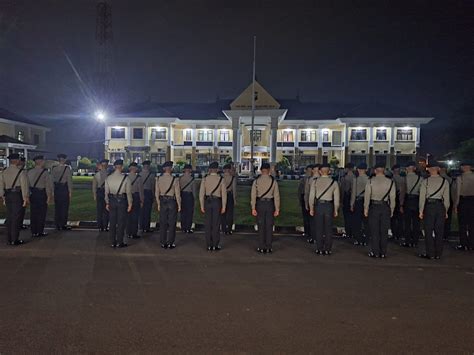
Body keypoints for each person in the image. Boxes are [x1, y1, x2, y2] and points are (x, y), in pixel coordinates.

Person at [364, 163, 396, 258]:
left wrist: (366, 208)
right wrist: (392, 209)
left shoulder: (370, 181)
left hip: (374, 206)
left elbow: (367, 197)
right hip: (385, 207)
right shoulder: (390, 182)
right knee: (384, 231)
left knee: (374, 231)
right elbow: (393, 198)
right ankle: (383, 252)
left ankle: (375, 252)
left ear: (375, 171)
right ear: (384, 171)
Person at [419, 162, 450, 259]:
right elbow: (446, 198)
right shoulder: (444, 182)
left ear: (429, 170)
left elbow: (422, 198)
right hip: (440, 206)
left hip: (429, 206)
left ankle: (430, 253)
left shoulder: (426, 181)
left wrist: (421, 211)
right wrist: (446, 210)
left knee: (428, 231)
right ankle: (438, 253)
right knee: (439, 231)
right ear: (438, 169)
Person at [309, 163, 340, 255]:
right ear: (329, 171)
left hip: (318, 206)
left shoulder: (315, 182)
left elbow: (311, 197)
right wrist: (336, 209)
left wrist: (311, 208)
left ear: (319, 171)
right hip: (329, 206)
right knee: (328, 229)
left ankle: (319, 248)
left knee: (318, 228)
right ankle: (328, 249)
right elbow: (337, 199)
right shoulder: (334, 183)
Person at [0, 154, 29, 245]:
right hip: (17, 195)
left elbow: (1, 186)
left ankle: (9, 238)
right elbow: (24, 186)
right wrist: (25, 198)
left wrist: (3, 196)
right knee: (16, 218)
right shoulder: (20, 172)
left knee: (10, 217)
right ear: (17, 161)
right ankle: (14, 239)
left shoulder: (4, 171)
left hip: (8, 195)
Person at [251, 162, 280, 253]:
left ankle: (261, 246)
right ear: (269, 170)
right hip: (270, 204)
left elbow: (253, 195)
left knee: (261, 225)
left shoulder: (256, 181)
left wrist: (253, 207)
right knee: (269, 225)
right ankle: (268, 246)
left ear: (260, 170)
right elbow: (277, 196)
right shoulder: (273, 181)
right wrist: (277, 209)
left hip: (260, 204)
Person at [105, 160, 132, 248]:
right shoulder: (126, 178)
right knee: (121, 222)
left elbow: (106, 193)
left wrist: (107, 202)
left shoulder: (108, 178)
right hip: (122, 201)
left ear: (114, 167)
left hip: (112, 200)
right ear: (122, 167)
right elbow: (128, 193)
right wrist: (130, 204)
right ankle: (120, 241)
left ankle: (113, 241)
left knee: (112, 222)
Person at [200, 161, 226, 251]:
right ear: (217, 169)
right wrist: (224, 206)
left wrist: (201, 205)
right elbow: (224, 194)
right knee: (216, 224)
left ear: (210, 170)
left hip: (207, 201)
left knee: (208, 224)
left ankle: (208, 245)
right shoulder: (221, 179)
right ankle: (215, 244)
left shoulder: (205, 179)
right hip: (217, 202)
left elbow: (201, 194)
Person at [156, 161, 181, 249]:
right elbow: (177, 193)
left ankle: (163, 242)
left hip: (163, 200)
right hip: (171, 201)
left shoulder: (159, 178)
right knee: (172, 223)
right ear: (171, 169)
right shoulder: (175, 179)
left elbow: (157, 193)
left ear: (163, 169)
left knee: (163, 222)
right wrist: (179, 204)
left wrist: (158, 203)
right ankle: (170, 242)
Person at [28, 155, 53, 238]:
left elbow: (26, 185)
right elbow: (47, 185)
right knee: (41, 213)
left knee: (33, 213)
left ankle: (34, 231)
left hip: (33, 194)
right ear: (41, 162)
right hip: (41, 194)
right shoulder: (45, 172)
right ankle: (40, 231)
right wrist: (49, 196)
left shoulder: (29, 172)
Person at [453, 161, 474, 251]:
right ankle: (472, 244)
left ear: (463, 167)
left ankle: (463, 244)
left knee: (462, 224)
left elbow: (457, 193)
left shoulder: (460, 178)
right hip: (473, 201)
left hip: (463, 201)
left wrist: (455, 205)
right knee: (472, 224)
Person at [401, 161, 422, 247]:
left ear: (406, 169)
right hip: (417, 200)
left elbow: (402, 193)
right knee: (416, 222)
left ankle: (407, 241)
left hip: (407, 200)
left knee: (407, 222)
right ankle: (415, 241)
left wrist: (401, 204)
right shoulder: (420, 179)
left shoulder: (404, 179)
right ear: (414, 168)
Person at [52, 153, 73, 230]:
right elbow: (69, 181)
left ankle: (57, 224)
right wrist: (70, 191)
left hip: (57, 189)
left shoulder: (54, 168)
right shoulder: (67, 169)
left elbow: (52, 180)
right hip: (64, 189)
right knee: (64, 207)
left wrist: (52, 191)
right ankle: (63, 224)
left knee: (57, 207)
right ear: (64, 160)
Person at [350, 163, 369, 246]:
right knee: (366, 221)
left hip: (358, 201)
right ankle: (367, 239)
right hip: (367, 201)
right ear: (366, 170)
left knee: (357, 222)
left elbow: (353, 193)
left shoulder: (356, 180)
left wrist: (352, 204)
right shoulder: (370, 179)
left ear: (358, 170)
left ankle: (358, 239)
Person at [127, 162, 144, 239]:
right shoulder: (138, 178)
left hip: (127, 197)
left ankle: (128, 232)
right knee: (135, 216)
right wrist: (142, 200)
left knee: (128, 216)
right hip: (136, 197)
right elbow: (141, 190)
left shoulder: (126, 177)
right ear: (136, 169)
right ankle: (134, 233)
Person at [92, 159, 110, 232]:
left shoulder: (97, 175)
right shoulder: (109, 174)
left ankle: (100, 226)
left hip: (99, 192)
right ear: (107, 165)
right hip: (107, 192)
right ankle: (105, 226)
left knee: (99, 210)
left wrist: (94, 195)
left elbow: (94, 186)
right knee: (106, 210)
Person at [304, 164, 320, 243]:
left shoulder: (310, 180)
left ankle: (313, 237)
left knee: (313, 221)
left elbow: (306, 193)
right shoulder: (324, 179)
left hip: (313, 203)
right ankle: (319, 237)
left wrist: (306, 203)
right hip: (322, 203)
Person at [390, 165, 406, 241]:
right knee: (400, 219)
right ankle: (400, 234)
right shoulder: (403, 179)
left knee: (393, 218)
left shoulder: (392, 179)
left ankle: (395, 234)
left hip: (394, 199)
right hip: (402, 200)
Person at [179, 163, 196, 233]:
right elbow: (194, 190)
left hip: (182, 195)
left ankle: (183, 227)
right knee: (189, 212)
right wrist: (194, 198)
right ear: (190, 170)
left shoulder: (180, 178)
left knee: (183, 212)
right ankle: (188, 228)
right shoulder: (192, 179)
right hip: (189, 196)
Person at [221, 163, 237, 235]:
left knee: (222, 213)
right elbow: (234, 190)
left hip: (222, 196)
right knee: (230, 213)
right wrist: (235, 199)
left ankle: (223, 228)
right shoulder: (232, 178)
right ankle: (229, 229)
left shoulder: (221, 178)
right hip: (229, 196)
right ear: (229, 169)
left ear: (224, 169)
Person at [439, 163, 454, 240]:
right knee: (447, 219)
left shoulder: (438, 179)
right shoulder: (450, 179)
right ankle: (446, 235)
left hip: (439, 201)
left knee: (438, 219)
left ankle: (439, 235)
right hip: (449, 200)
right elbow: (453, 192)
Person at [140, 160, 155, 233]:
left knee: (141, 211)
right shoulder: (151, 175)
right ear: (148, 166)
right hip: (148, 193)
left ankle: (141, 226)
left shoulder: (139, 174)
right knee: (147, 211)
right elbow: (152, 187)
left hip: (140, 193)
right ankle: (146, 227)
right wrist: (153, 196)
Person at [340, 163, 355, 239]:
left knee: (346, 216)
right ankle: (353, 232)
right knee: (353, 217)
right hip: (354, 198)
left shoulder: (344, 178)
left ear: (347, 168)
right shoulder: (355, 177)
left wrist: (341, 201)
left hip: (346, 198)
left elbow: (343, 190)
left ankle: (348, 232)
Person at [298, 164, 313, 240]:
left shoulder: (306, 179)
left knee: (307, 217)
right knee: (308, 217)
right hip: (307, 198)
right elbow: (300, 191)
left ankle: (308, 232)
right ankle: (309, 232)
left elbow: (300, 191)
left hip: (308, 198)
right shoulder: (305, 179)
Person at [18, 157, 27, 230]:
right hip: (20, 193)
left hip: (10, 193)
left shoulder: (7, 170)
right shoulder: (22, 172)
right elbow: (24, 185)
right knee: (20, 210)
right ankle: (19, 224)